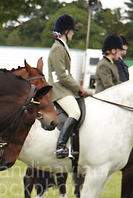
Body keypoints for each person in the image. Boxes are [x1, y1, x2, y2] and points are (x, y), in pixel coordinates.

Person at [47, 14, 87, 159]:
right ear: (65, 31)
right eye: (71, 31)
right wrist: (79, 88)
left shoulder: (62, 47)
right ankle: (60, 146)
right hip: (58, 88)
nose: (72, 34)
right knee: (75, 112)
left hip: (63, 87)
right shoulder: (58, 48)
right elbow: (62, 75)